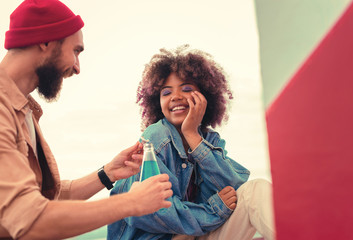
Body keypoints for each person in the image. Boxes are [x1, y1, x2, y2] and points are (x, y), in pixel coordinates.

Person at [0, 1, 173, 239]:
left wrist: (108, 173)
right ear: (46, 41)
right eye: (76, 51)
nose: (77, 67)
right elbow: (30, 220)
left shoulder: (24, 110)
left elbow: (45, 198)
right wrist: (132, 202)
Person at [108, 45, 276, 240]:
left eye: (186, 89)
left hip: (197, 234)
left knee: (255, 190)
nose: (176, 97)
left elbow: (233, 191)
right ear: (157, 101)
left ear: (205, 96)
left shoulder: (209, 140)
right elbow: (151, 211)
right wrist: (214, 211)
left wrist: (192, 135)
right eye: (166, 92)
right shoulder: (154, 139)